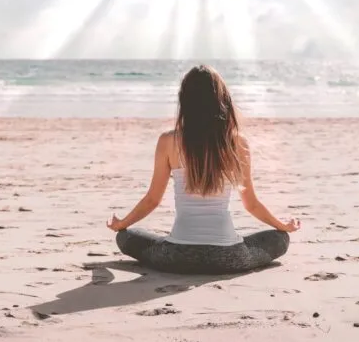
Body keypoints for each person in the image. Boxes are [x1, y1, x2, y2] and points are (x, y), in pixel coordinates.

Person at [106, 64, 301, 275]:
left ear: (185, 101)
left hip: (177, 257)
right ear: (222, 100)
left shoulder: (168, 141)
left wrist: (121, 224)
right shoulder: (237, 143)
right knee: (280, 239)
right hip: (228, 257)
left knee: (125, 237)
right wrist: (282, 225)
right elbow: (251, 204)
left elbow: (152, 199)